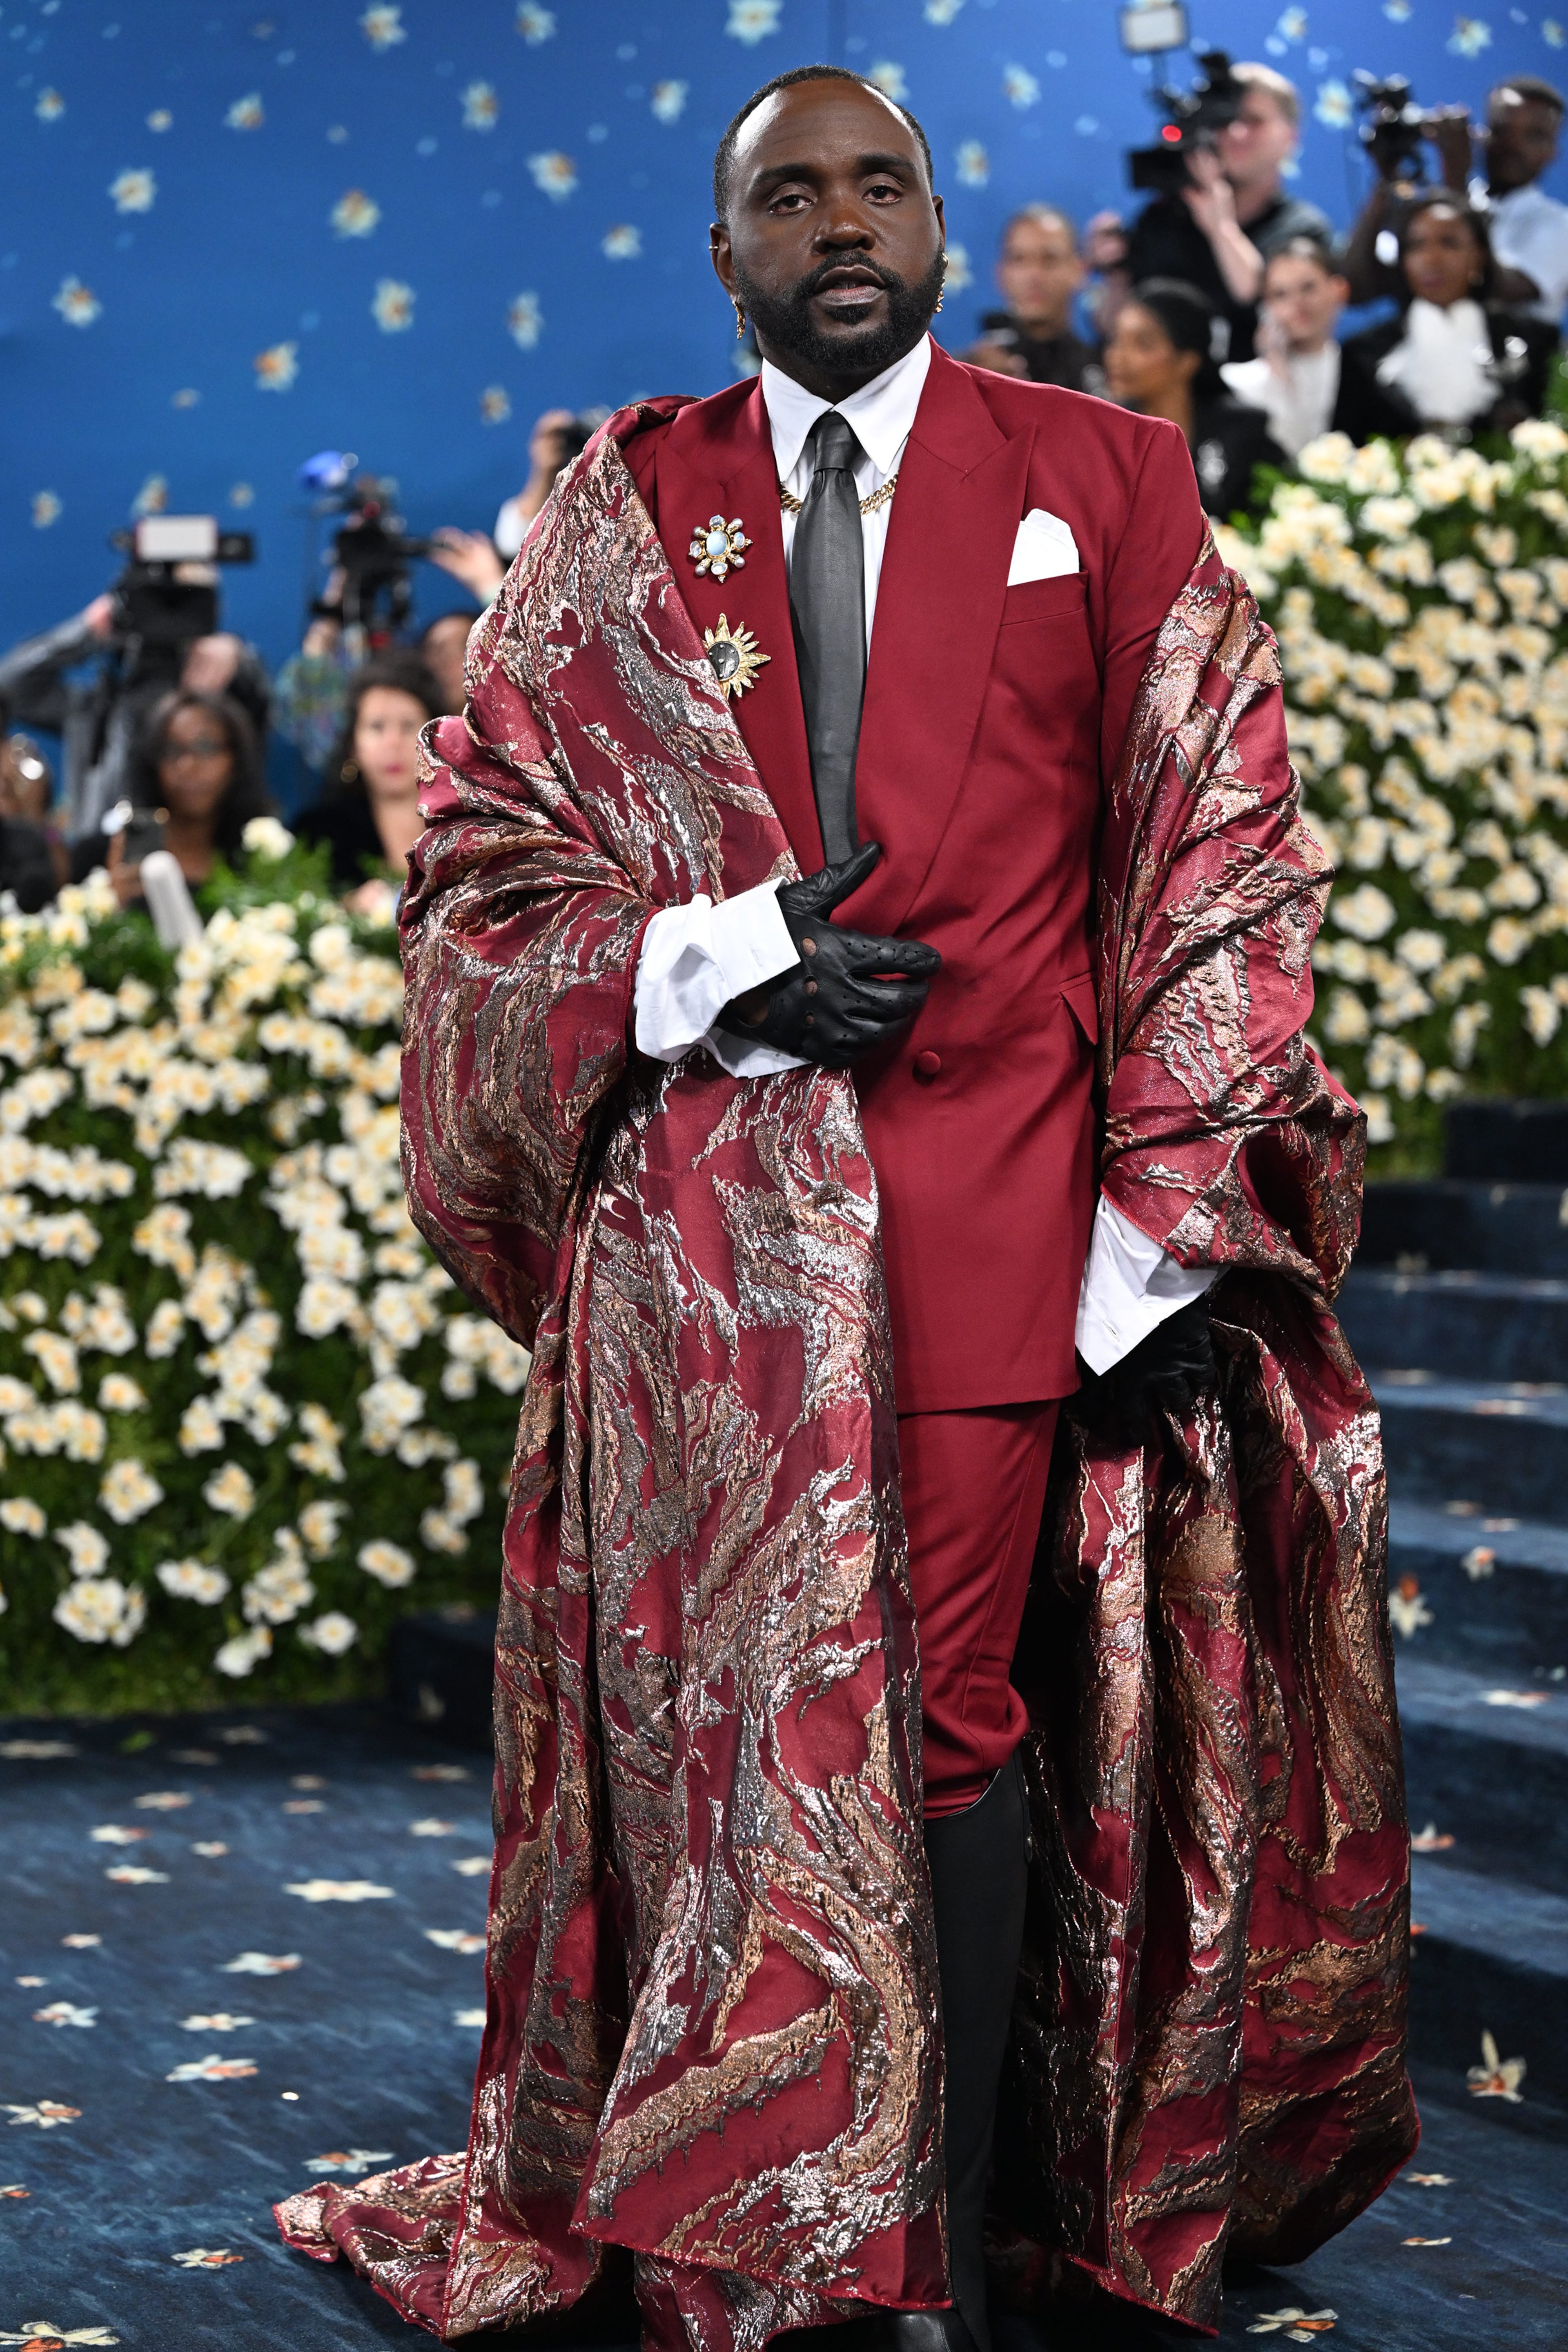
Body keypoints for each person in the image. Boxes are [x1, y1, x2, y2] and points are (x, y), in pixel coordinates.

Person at [277, 63, 1414, 2352]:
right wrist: (701, 961)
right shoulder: (621, 506)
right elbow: (484, 871)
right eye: (785, 194)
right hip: (702, 1270)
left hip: (1007, 1229)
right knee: (718, 1749)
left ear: (936, 218)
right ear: (725, 254)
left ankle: (927, 2258)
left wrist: (1154, 1228)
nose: (839, 221)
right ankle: (757, 2217)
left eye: (876, 182)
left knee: (951, 1725)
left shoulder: (1104, 478)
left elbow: (1221, 845)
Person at [0, 597, 268, 842]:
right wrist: (87, 631)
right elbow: (12, 688)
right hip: (95, 860)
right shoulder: (92, 713)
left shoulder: (218, 707)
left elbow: (261, 707)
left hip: (209, 855)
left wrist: (236, 657)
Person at [1121, 63, 1330, 366]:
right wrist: (1113, 273)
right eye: (1224, 120)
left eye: (1255, 121)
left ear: (1291, 136)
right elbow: (1119, 325)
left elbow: (1264, 302)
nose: (1236, 133)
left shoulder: (1303, 230)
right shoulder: (1159, 221)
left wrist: (1222, 230)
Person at [1338, 190, 1557, 442]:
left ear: (1480, 256)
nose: (1432, 260)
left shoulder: (1536, 342)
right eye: (1416, 246)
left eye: (1449, 243)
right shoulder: (1363, 355)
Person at [1105, 276, 1285, 517]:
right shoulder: (1108, 434)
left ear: (1187, 361)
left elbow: (1282, 508)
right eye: (1116, 340)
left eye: (1143, 345)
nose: (1118, 357)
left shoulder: (1243, 431)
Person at [69, 688, 272, 901]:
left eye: (206, 747)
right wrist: (111, 902)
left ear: (236, 759)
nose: (187, 766)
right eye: (172, 750)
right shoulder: (98, 858)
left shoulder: (259, 857)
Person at [294, 653, 440, 906]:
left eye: (408, 726)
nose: (393, 742)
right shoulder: (319, 835)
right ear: (353, 746)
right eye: (377, 727)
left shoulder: (470, 824)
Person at [1221, 235, 1351, 461]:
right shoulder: (1240, 384)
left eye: (1308, 288)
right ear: (1267, 306)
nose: (1297, 304)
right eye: (1281, 294)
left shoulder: (1362, 372)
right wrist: (1278, 371)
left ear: (1338, 289)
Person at [960, 205, 1099, 391]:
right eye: (1019, 259)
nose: (1034, 276)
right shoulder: (961, 374)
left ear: (1080, 271)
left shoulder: (1107, 377)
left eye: (1049, 259)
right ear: (1001, 274)